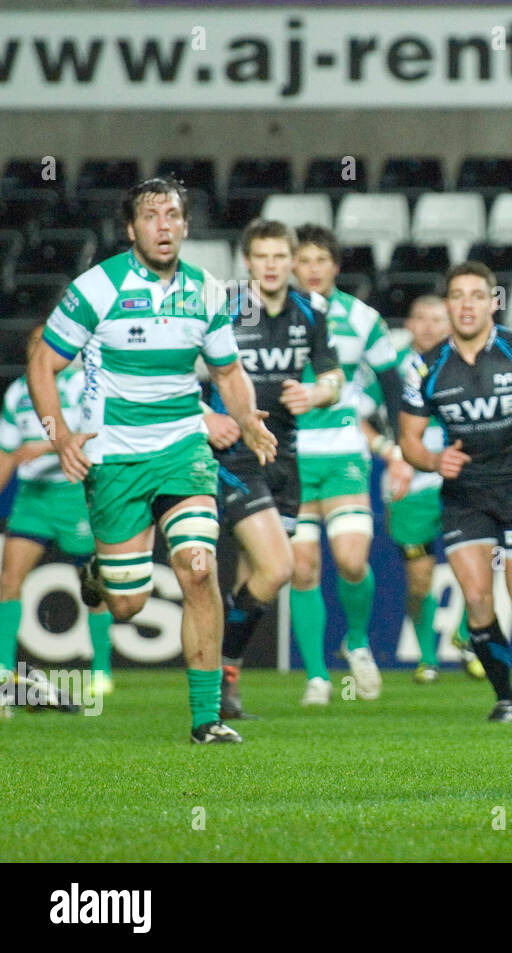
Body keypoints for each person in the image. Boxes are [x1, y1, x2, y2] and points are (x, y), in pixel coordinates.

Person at [27, 175, 276, 743]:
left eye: (173, 216)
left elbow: (227, 372)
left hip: (183, 446)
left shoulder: (207, 291)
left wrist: (246, 419)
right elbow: (44, 363)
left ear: (187, 226)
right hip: (114, 456)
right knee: (127, 605)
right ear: (131, 227)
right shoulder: (97, 287)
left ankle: (206, 719)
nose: (163, 227)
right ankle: (101, 575)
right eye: (151, 216)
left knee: (197, 567)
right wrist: (60, 433)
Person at [398, 262, 512, 722]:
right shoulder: (424, 367)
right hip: (464, 497)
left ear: (492, 303)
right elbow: (409, 442)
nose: (467, 305)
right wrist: (432, 461)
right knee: (478, 599)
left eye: (476, 295)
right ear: (447, 305)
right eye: (457, 295)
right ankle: (505, 698)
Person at [207, 220, 342, 719]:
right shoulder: (224, 308)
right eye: (260, 256)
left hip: (284, 456)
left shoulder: (312, 311)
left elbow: (334, 379)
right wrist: (211, 416)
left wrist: (317, 393)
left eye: (279, 257)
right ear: (247, 262)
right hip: (234, 454)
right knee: (279, 566)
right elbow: (186, 370)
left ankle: (227, 685)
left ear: (291, 261)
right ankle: (218, 654)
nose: (270, 265)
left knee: (255, 573)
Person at [289, 224, 405, 706]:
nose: (312, 269)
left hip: (343, 455)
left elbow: (392, 381)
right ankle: (317, 676)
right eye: (305, 260)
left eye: (322, 260)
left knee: (352, 561)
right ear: (293, 266)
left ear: (336, 266)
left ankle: (356, 639)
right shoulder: (274, 315)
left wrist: (399, 447)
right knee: (302, 568)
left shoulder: (362, 318)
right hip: (290, 457)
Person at [357, 295, 484, 683]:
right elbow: (357, 416)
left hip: (460, 477)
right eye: (420, 318)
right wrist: (392, 451)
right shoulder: (390, 367)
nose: (429, 326)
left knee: (480, 564)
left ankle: (465, 635)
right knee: (420, 578)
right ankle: (428, 658)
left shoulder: (464, 360)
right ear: (408, 323)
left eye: (437, 319)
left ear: (448, 324)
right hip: (408, 485)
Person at [0, 324, 108, 709]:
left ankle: (101, 673)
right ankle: (3, 673)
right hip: (32, 498)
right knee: (9, 579)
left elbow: (90, 433)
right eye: (34, 344)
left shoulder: (80, 385)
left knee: (96, 582)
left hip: (72, 492)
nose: (40, 350)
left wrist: (45, 447)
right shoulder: (16, 394)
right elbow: (8, 452)